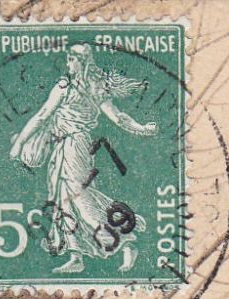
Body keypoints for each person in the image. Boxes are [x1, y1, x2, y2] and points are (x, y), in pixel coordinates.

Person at [9, 44, 158, 274]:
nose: (68, 64)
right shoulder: (67, 86)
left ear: (83, 62)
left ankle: (128, 241)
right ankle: (76, 256)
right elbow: (42, 116)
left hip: (76, 147)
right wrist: (20, 143)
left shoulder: (89, 87)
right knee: (62, 202)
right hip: (62, 147)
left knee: (83, 204)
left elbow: (117, 117)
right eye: (67, 59)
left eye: (72, 59)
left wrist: (142, 128)